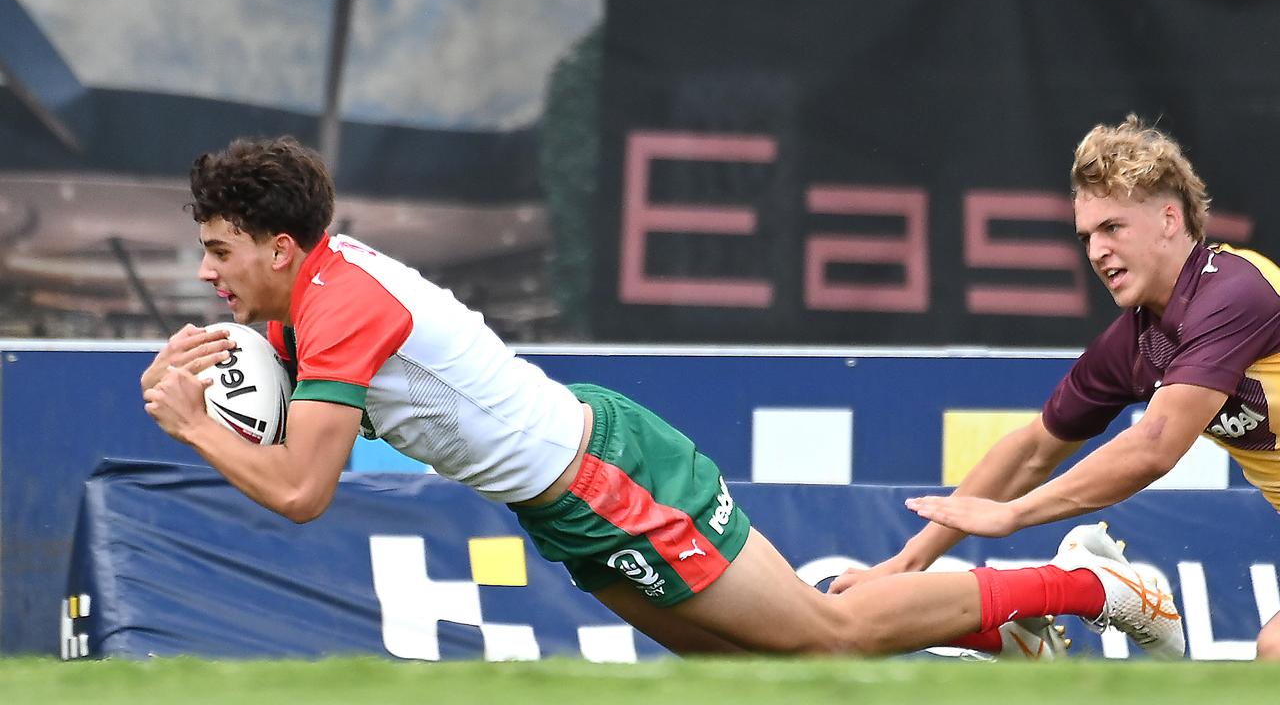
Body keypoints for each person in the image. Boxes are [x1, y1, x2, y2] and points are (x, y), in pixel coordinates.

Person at [141, 135, 1182, 660]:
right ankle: (987, 630)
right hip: (565, 498)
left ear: (281, 247)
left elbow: (300, 491)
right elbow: (278, 411)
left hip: (607, 479)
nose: (205, 273)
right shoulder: (307, 297)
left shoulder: (339, 306)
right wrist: (217, 366)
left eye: (218, 252)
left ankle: (1086, 587)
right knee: (764, 669)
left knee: (823, 642)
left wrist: (194, 423)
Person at [833, 113, 1280, 660]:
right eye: (1087, 236)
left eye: (1113, 228)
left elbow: (1155, 445)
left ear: (1169, 219)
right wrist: (904, 565)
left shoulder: (1236, 292)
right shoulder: (1138, 339)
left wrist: (1015, 515)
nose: (1095, 252)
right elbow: (1033, 450)